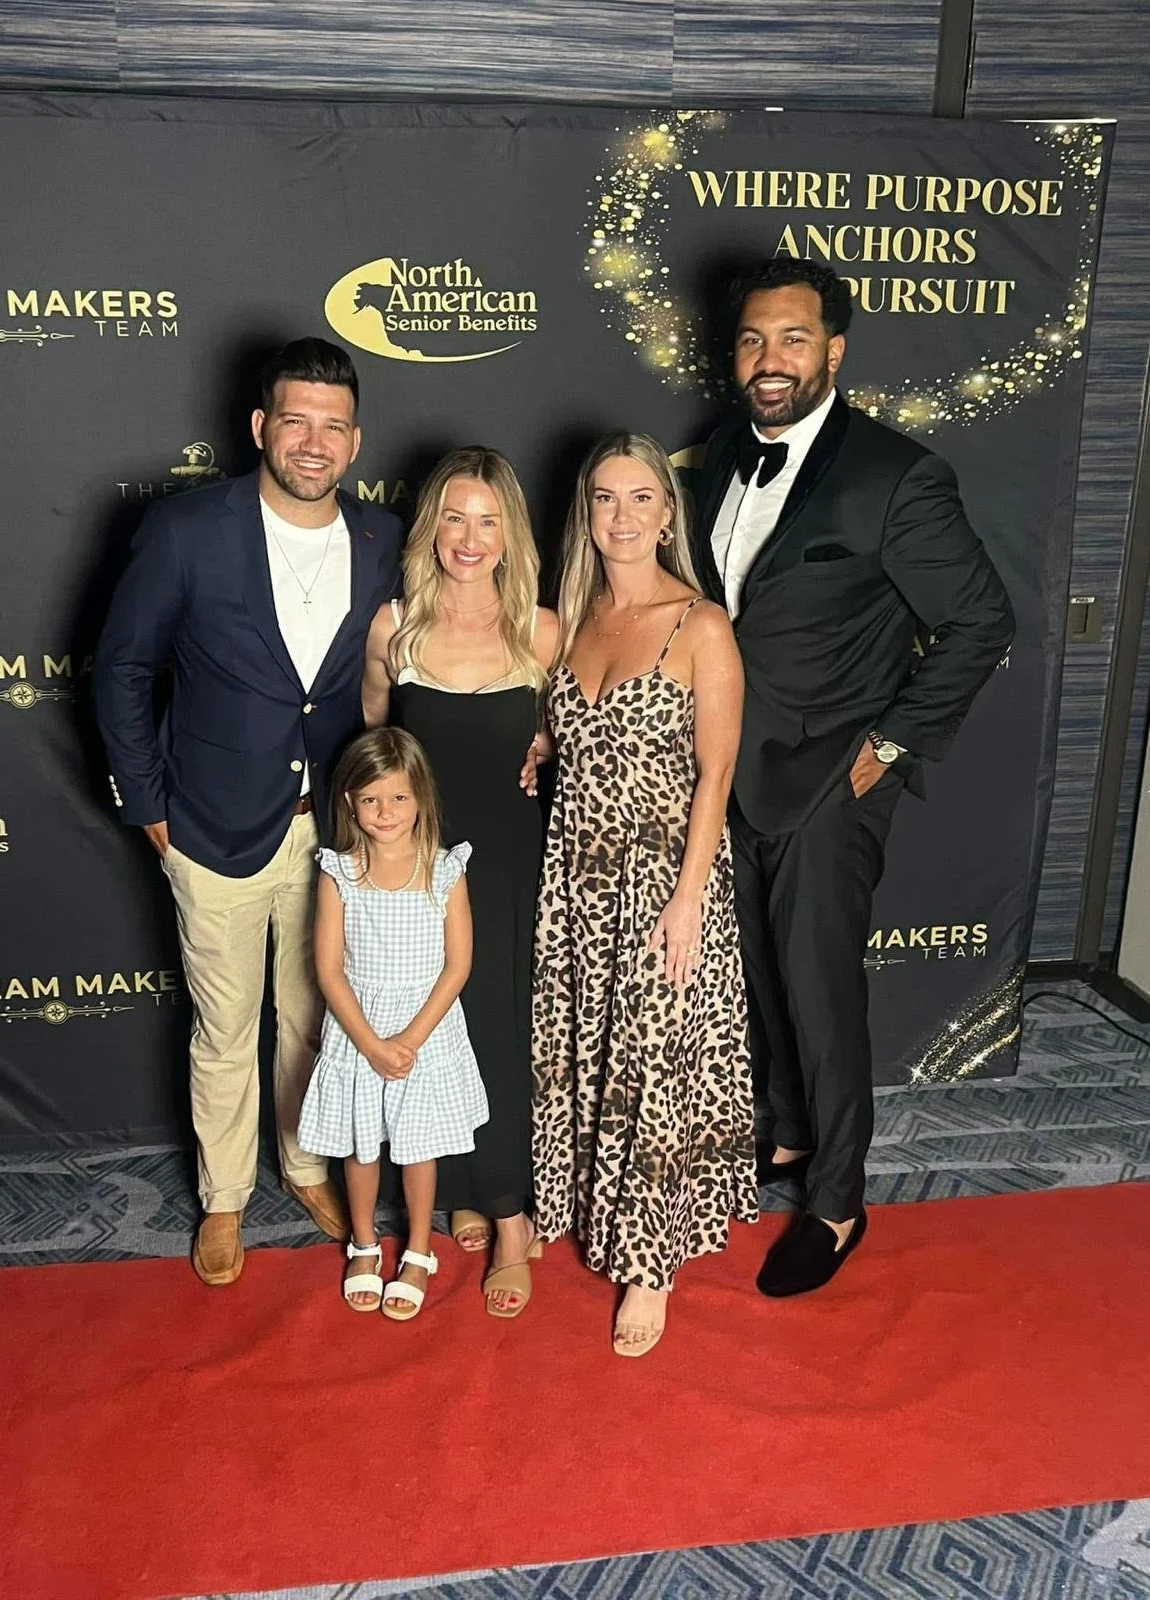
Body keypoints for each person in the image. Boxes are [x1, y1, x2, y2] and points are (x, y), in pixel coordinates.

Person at [691, 258, 1015, 1298]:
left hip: (833, 780)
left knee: (820, 993)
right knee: (752, 977)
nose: (769, 359)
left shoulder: (895, 475)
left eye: (792, 339)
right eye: (752, 339)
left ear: (833, 351)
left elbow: (981, 621)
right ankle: (785, 1133)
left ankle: (836, 1202)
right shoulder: (716, 458)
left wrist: (890, 748)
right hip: (727, 773)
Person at [93, 338, 402, 1287]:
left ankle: (305, 1166)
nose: (314, 442)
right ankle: (224, 1197)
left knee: (313, 1016)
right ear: (262, 426)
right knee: (224, 1029)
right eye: (296, 421)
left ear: (355, 441)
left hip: (336, 829)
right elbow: (122, 668)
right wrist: (148, 802)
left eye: (333, 426)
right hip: (211, 825)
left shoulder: (383, 539)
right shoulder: (188, 528)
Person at [532, 432, 757, 1358]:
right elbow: (567, 728)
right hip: (574, 874)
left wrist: (689, 898)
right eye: (604, 498)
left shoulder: (699, 625)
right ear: (585, 512)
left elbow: (717, 772)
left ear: (668, 513)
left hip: (663, 876)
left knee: (655, 1063)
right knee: (588, 1046)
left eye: (639, 498)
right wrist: (541, 742)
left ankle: (651, 1266)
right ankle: (582, 1204)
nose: (620, 517)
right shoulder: (571, 618)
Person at [362, 447, 558, 1318]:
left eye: (488, 521)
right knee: (439, 1028)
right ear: (430, 527)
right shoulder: (393, 627)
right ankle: (467, 1185)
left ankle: (512, 1219)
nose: (469, 539)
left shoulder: (543, 632)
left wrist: (546, 746)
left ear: (511, 534)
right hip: (423, 866)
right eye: (454, 517)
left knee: (500, 1028)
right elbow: (374, 742)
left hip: (512, 861)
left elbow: (575, 733)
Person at [297, 728, 487, 1319]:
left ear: (420, 799)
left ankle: (419, 1251)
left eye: (399, 797)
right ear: (350, 802)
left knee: (418, 1146)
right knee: (361, 1146)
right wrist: (371, 1044)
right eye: (371, 799)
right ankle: (363, 1243)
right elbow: (329, 970)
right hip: (359, 1030)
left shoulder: (445, 869)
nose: (386, 811)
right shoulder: (339, 872)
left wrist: (408, 1040)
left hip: (425, 1030)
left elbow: (458, 966)